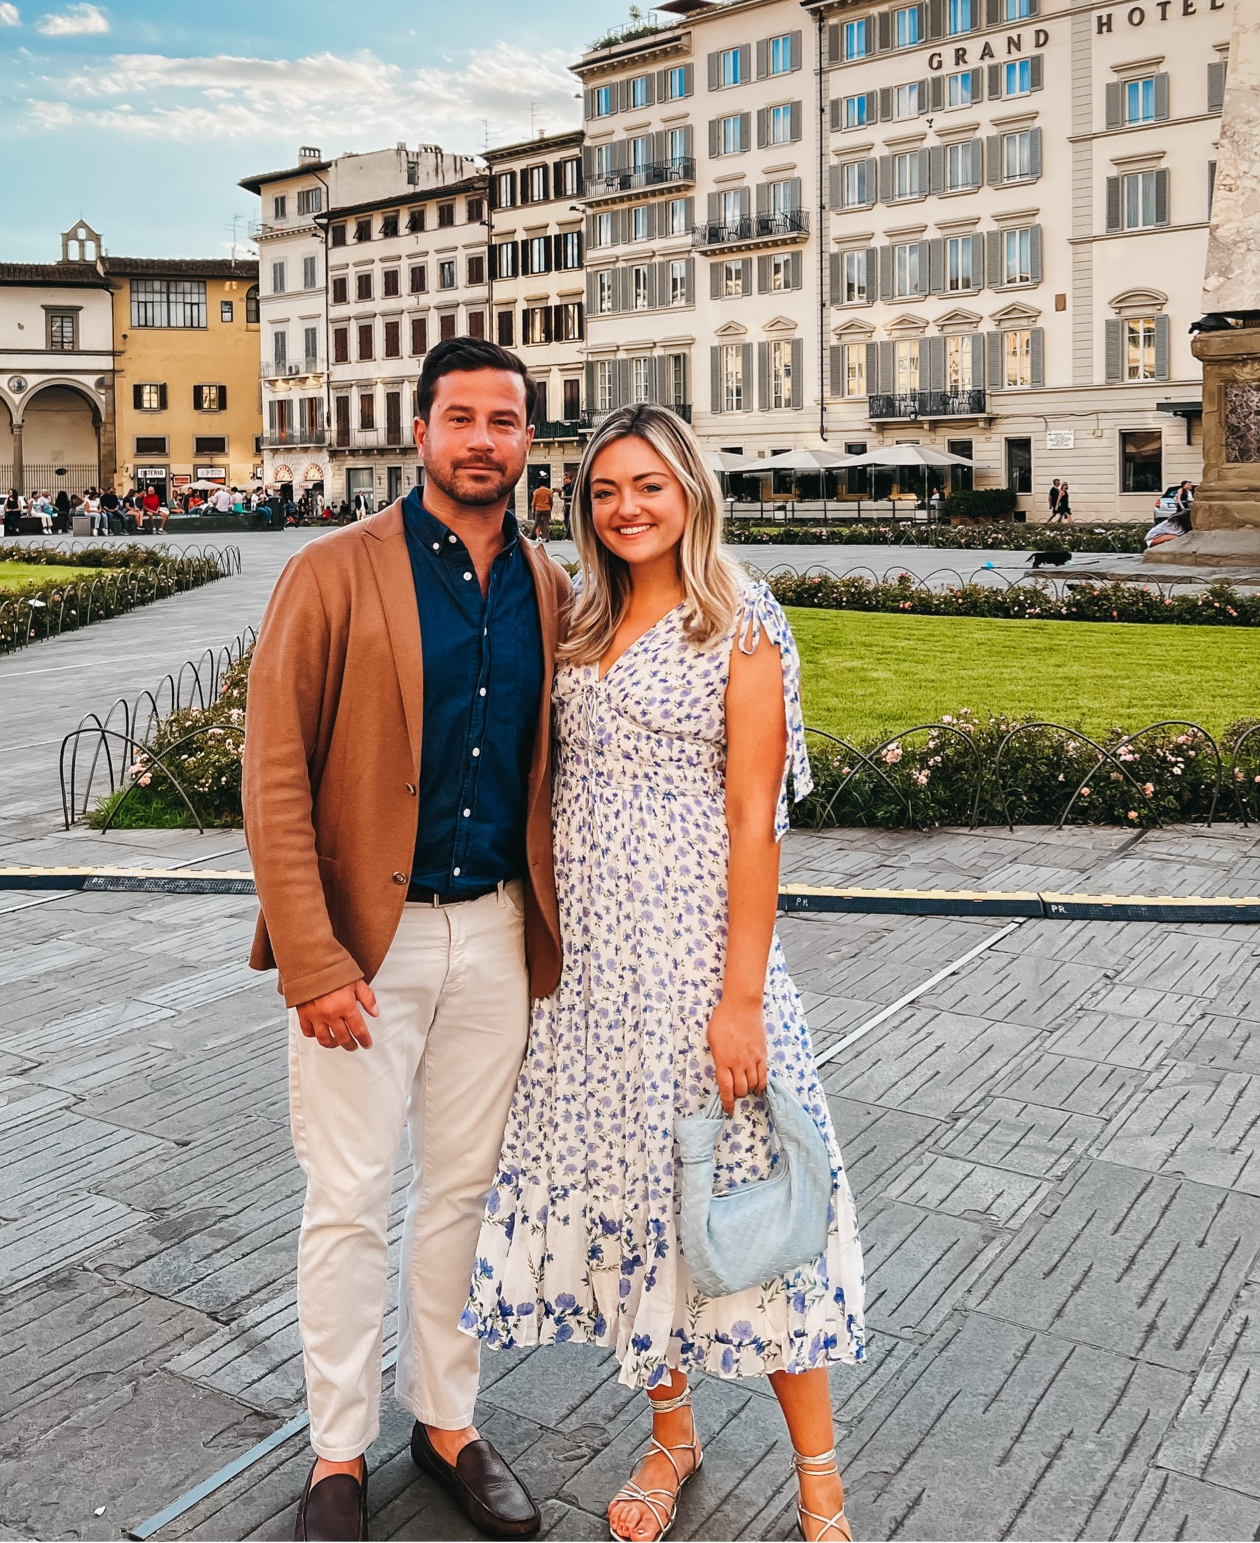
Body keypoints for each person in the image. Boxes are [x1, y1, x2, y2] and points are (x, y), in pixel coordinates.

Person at [464, 403, 864, 1543]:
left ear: (690, 490)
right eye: (604, 490)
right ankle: (670, 1435)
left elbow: (756, 821)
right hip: (590, 971)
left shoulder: (738, 623)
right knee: (636, 1198)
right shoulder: (580, 616)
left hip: (698, 959)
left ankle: (820, 1486)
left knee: (756, 1196)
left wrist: (741, 998)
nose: (626, 507)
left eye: (649, 485)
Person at [244, 337, 570, 1543]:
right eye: (463, 417)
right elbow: (273, 774)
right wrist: (313, 960)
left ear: (529, 438)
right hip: (363, 948)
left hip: (493, 932)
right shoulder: (335, 571)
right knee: (347, 1200)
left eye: (509, 420)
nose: (486, 439)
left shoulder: (543, 584)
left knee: (464, 1197)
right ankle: (338, 1453)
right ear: (419, 429)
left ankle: (448, 1425)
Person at [528, 478, 552, 544]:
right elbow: (551, 501)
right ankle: (546, 538)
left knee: (536, 523)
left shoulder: (536, 491)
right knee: (546, 524)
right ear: (546, 483)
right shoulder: (548, 491)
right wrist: (550, 508)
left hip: (538, 509)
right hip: (547, 508)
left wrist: (533, 510)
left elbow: (534, 502)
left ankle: (530, 535)